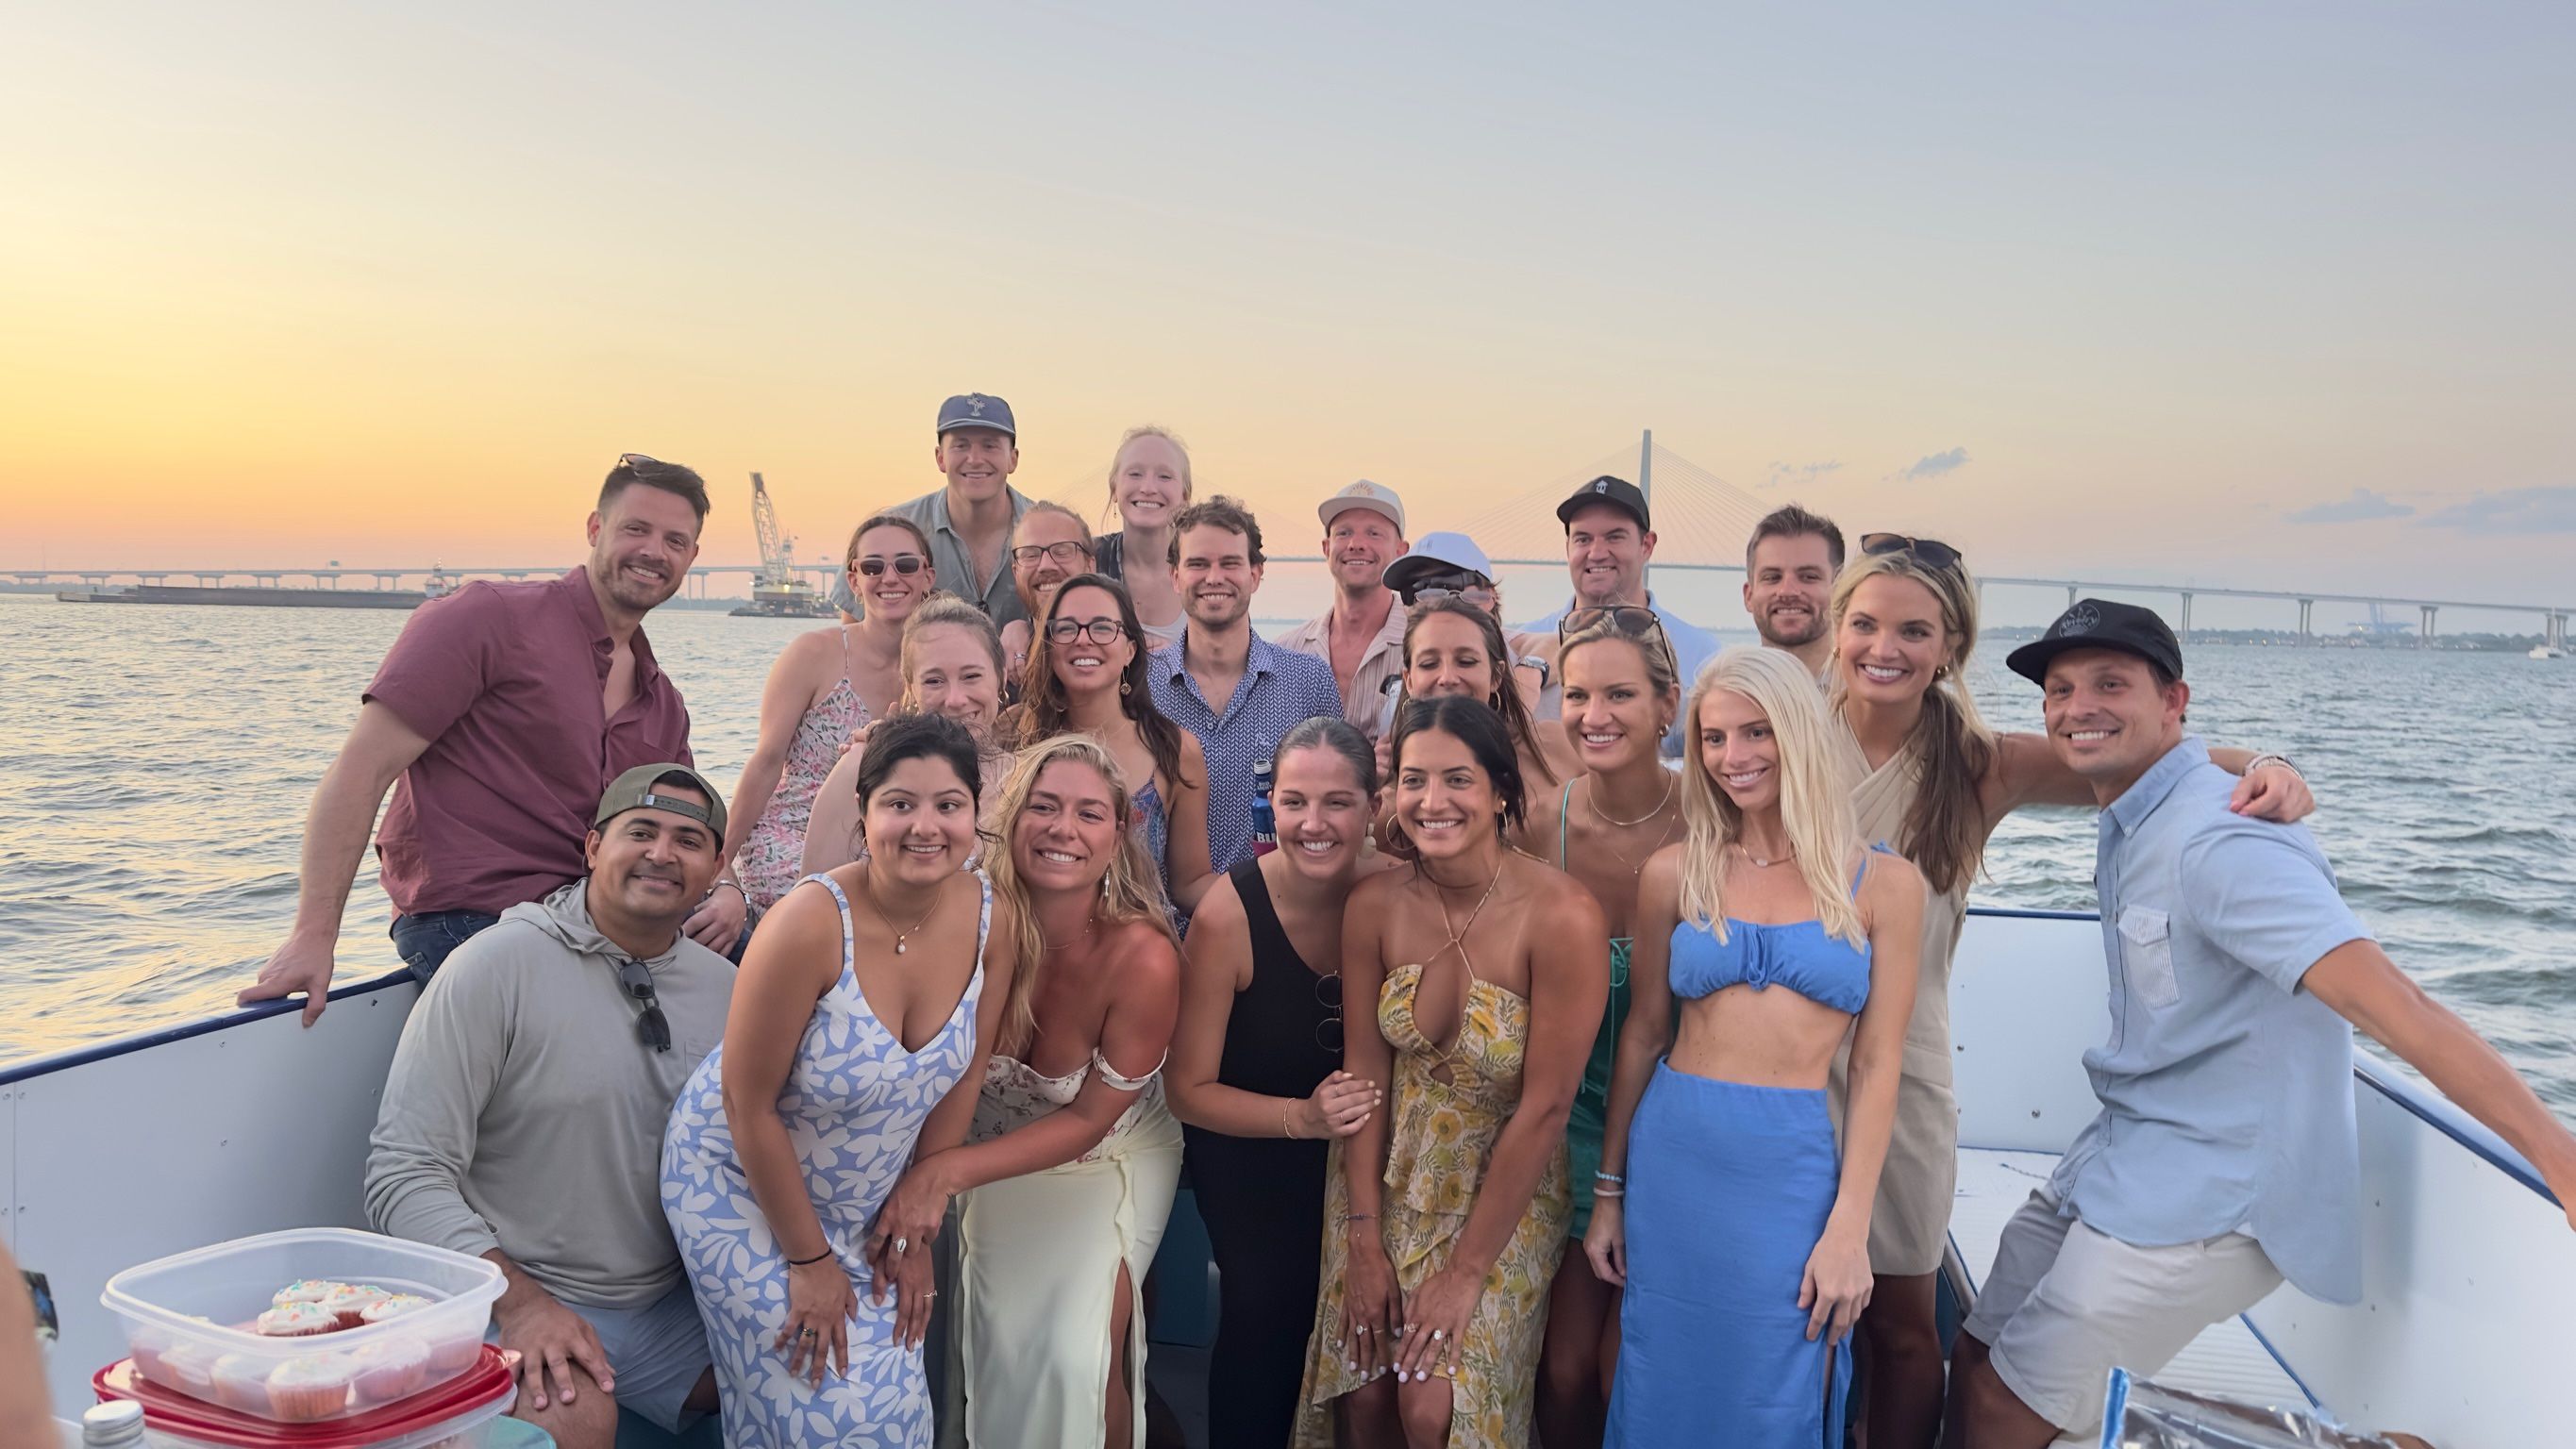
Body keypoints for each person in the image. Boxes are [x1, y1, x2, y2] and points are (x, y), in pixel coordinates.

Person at [1945, 600, 2576, 1446]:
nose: (2077, 707)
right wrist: (2274, 755)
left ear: (2175, 702)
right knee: (1976, 1359)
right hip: (2127, 1151)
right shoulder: (2133, 808)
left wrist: (2557, 1155)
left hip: (2213, 1192)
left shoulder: (2224, 842)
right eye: (2060, 690)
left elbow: (2398, 1006)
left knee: (1996, 1412)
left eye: (2110, 684)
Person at [1818, 536, 2315, 1449]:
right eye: (1865, 623)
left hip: (1907, 1076)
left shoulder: (1978, 765)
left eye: (1914, 630)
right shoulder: (1782, 742)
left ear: (1949, 647)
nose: (1884, 647)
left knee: (1900, 1327)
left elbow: (2166, 758)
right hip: (1782, 1069)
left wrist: (2271, 768)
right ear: (1836, 630)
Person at [242, 454, 738, 1024]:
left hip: (600, 922)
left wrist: (728, 892)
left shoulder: (662, 701)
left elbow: (691, 827)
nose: (654, 551)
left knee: (768, 983)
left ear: (691, 559)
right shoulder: (488, 619)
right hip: (473, 916)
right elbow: (362, 770)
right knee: (588, 1038)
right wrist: (313, 936)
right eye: (636, 529)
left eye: (675, 540)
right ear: (595, 529)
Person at [1584, 647, 1922, 1448]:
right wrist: (1608, 1194)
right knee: (1661, 1373)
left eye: (1756, 733)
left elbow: (1878, 1067)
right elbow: (1643, 1035)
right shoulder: (1675, 872)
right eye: (1712, 738)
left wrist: (1849, 1228)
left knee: (1783, 1384)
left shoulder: (1886, 886)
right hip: (1676, 1160)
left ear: (1799, 734)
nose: (1733, 758)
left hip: (1789, 1167)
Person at [662, 715, 1008, 1449]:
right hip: (738, 1186)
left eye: (949, 805)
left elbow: (964, 1070)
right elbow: (744, 1103)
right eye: (899, 804)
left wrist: (917, 1234)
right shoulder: (809, 924)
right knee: (825, 1408)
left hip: (866, 1200)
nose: (925, 826)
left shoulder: (990, 920)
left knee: (899, 1409)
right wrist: (809, 1261)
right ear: (864, 815)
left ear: (976, 817)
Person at [366, 765, 736, 1448]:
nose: (662, 853)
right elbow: (402, 1173)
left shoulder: (730, 990)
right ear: (593, 847)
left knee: (812, 1367)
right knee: (571, 1411)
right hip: (511, 1289)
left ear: (716, 867)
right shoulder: (495, 965)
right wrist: (522, 1304)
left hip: (663, 1303)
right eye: (642, 831)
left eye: (689, 840)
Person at [1295, 696, 1610, 1449]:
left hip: (1502, 1189)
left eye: (1457, 781)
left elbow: (1545, 1109)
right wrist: (1363, 1239)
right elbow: (1364, 1078)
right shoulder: (1374, 904)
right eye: (1412, 780)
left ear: (1500, 789)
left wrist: (1466, 1271)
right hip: (1387, 1178)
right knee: (1366, 1396)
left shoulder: (1562, 914)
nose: (1432, 803)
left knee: (1431, 1408)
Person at [868, 736, 1187, 1449]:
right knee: (977, 1350)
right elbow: (957, 1074)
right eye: (1042, 807)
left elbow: (1087, 1120)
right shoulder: (969, 924)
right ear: (1011, 821)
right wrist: (930, 1192)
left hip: (1105, 1159)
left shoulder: (1143, 957)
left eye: (1087, 814)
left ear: (1118, 836)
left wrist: (938, 1178)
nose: (1061, 830)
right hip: (973, 1149)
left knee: (1073, 1358)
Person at [1169, 717, 1389, 1449]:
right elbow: (1188, 1089)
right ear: (1271, 807)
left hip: (1366, 1145)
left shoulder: (1398, 891)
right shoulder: (1230, 914)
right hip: (1253, 1144)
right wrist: (1302, 1118)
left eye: (1338, 803)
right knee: (1267, 1307)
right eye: (1294, 802)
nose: (1314, 824)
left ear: (1373, 807)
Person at [1527, 608, 1683, 1449]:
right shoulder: (1537, 826)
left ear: (1668, 703)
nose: (1594, 714)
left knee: (1637, 1362)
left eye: (1620, 693)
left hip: (1684, 1124)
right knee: (1566, 1369)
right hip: (1568, 1125)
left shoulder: (1719, 815)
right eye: (1577, 693)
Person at [728, 513, 936, 911]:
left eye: (905, 565)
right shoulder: (814, 654)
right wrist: (718, 869)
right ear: (854, 581)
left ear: (927, 576)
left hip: (888, 843)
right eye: (873, 566)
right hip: (793, 837)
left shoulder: (939, 672)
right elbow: (766, 761)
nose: (890, 577)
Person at [1147, 496, 1346, 874]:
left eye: (1230, 563)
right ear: (1175, 576)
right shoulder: (1141, 686)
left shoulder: (1309, 681)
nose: (1214, 577)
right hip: (1158, 923)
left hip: (1275, 917)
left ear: (1255, 574)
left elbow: (1337, 803)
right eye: (1198, 564)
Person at [1009, 575, 1217, 914]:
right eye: (1066, 628)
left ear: (1130, 650)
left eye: (1103, 628)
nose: (1084, 640)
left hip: (1138, 954)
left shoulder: (1174, 749)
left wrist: (1273, 890)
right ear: (1048, 645)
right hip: (1034, 949)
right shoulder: (1014, 735)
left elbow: (1190, 884)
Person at [804, 598, 1015, 874]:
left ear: (1001, 677)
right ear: (909, 687)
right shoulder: (861, 767)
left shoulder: (1024, 781)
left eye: (971, 676)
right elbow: (818, 896)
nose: (955, 699)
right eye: (934, 681)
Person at [1516, 475, 1719, 755]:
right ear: (1567, 547)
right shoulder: (1520, 652)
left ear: (1646, 545)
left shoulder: (1703, 657)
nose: (1597, 553)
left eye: (1614, 537)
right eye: (1583, 539)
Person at [830, 393, 1033, 625]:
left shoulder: (1054, 535)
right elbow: (852, 633)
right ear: (940, 458)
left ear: (1013, 459)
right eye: (960, 445)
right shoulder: (888, 532)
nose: (975, 459)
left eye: (990, 446)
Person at [1381, 595, 1570, 796]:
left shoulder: (1552, 751)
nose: (1447, 677)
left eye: (1466, 661)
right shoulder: (1388, 785)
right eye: (1429, 664)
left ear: (1496, 676)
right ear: (1408, 680)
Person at [1274, 481, 1413, 734]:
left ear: (1400, 551)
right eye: (1344, 533)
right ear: (1326, 548)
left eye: (1374, 533)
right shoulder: (1286, 651)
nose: (1356, 544)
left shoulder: (1426, 644)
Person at [1381, 530, 1550, 712]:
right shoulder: (1397, 703)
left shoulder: (1539, 700)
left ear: (1487, 597)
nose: (1446, 678)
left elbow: (1558, 643)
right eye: (1414, 591)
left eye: (1444, 584)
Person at [1090, 425, 1193, 650]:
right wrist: (1017, 626)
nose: (1148, 488)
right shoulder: (1086, 561)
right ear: (1114, 488)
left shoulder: (1204, 572)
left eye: (1165, 476)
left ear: (1184, 496)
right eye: (1135, 474)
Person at [998, 502, 1099, 678]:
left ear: (1090, 566)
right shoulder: (999, 668)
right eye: (1030, 555)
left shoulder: (1127, 655)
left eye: (1062, 552)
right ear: (1015, 572)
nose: (1045, 565)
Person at [1743, 504, 1844, 679]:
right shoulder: (1724, 698)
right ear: (1748, 596)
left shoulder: (1871, 700)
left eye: (1808, 577)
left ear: (1840, 591)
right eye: (1772, 577)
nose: (1787, 591)